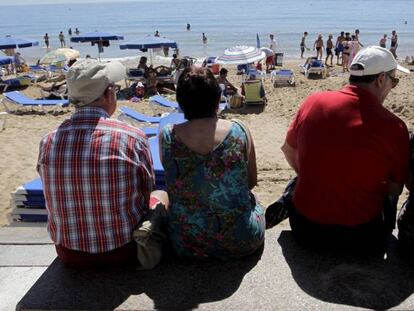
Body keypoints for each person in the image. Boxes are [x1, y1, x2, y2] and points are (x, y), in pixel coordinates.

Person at [276, 46, 410, 253]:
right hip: (361, 237)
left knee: (303, 177)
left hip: (305, 228)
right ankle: (387, 239)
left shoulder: (313, 102)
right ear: (381, 79)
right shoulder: (394, 126)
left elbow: (287, 149)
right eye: (394, 80)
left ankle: (289, 198)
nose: (393, 87)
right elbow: (394, 189)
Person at [37, 59, 168, 268]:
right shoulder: (131, 137)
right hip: (124, 251)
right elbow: (146, 193)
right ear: (108, 93)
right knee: (161, 195)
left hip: (69, 254)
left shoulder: (48, 141)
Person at [159, 66, 265, 260]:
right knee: (255, 200)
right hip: (242, 241)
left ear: (181, 103)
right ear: (218, 100)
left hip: (186, 243)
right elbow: (250, 182)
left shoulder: (167, 135)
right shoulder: (239, 130)